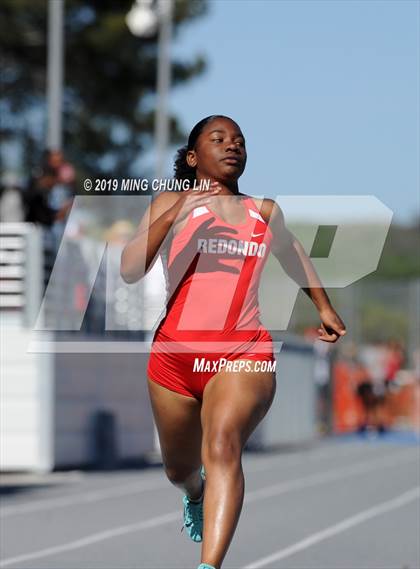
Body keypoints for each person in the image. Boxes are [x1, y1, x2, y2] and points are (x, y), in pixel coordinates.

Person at [120, 115, 346, 569]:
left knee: (222, 444)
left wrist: (323, 305)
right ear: (192, 156)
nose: (232, 146)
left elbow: (292, 251)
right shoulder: (168, 201)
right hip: (174, 359)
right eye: (218, 139)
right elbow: (129, 269)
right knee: (178, 469)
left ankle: (209, 567)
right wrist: (178, 211)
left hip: (243, 352)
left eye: (239, 141)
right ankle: (195, 492)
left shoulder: (263, 212)